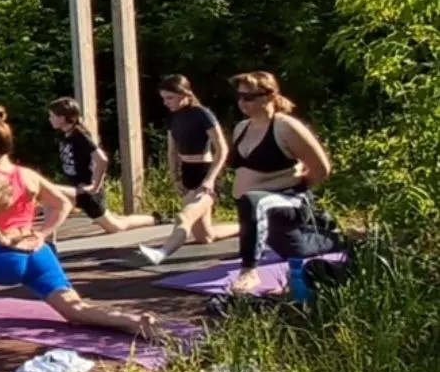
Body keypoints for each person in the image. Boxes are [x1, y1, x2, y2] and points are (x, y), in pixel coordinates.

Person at [0, 107, 157, 337]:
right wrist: (42, 234)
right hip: (38, 254)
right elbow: (64, 204)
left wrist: (10, 243)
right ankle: (133, 321)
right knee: (76, 310)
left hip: (4, 262)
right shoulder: (28, 175)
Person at [226, 72, 340, 293]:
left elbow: (321, 168)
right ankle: (334, 235)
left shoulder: (285, 127)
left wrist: (296, 186)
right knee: (297, 248)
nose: (243, 102)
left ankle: (249, 272)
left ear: (270, 96)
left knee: (253, 201)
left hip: (289, 201)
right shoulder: (242, 128)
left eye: (249, 97)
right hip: (262, 214)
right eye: (240, 96)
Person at [137, 75, 239, 266]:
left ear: (184, 94)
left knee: (185, 216)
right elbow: (172, 150)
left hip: (206, 172)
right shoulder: (173, 117)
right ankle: (246, 226)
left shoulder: (201, 113)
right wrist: (175, 178)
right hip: (187, 172)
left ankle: (162, 252)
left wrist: (210, 179)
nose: (166, 103)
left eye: (170, 98)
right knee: (205, 236)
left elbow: (222, 148)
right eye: (164, 98)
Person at [47, 98, 160, 234]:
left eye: (52, 116)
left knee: (116, 226)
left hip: (87, 191)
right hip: (75, 188)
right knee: (48, 195)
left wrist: (95, 185)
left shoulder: (79, 135)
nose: (50, 119)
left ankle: (154, 219)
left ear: (62, 118)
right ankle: (46, 239)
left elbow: (102, 159)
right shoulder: (66, 134)